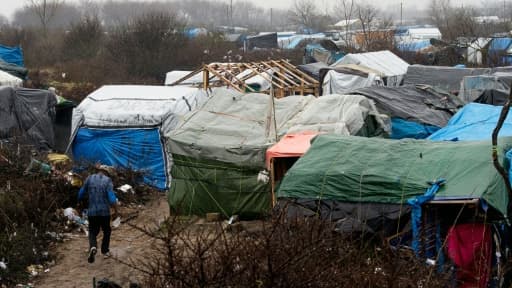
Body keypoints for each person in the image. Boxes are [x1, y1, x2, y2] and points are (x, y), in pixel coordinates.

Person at [78, 164, 119, 263]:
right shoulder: (107, 181)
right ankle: (105, 251)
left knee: (92, 231)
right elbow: (112, 198)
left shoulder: (89, 178)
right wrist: (116, 209)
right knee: (106, 231)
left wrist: (79, 202)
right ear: (107, 173)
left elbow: (81, 193)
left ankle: (93, 246)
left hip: (92, 211)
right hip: (104, 212)